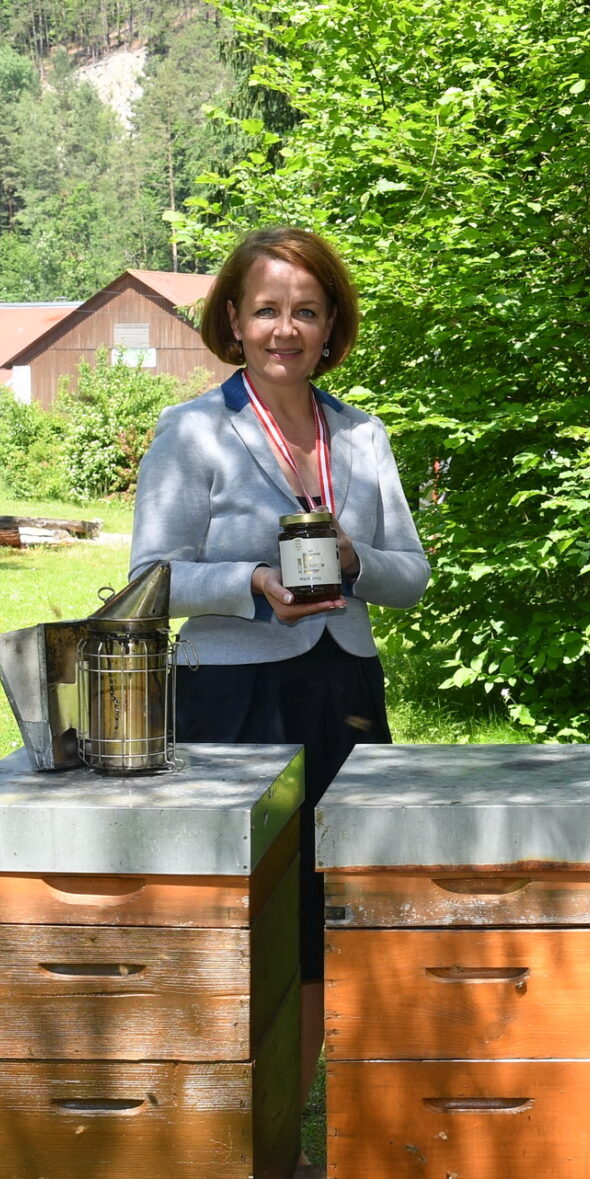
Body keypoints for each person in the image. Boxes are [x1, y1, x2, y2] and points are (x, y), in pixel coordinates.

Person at [130, 226, 428, 1084]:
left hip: (344, 684)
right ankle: (227, 1095)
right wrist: (252, 581)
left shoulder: (362, 435)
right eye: (266, 310)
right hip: (230, 691)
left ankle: (304, 1100)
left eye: (305, 310)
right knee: (236, 900)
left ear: (333, 323)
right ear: (234, 317)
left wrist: (354, 562)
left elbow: (411, 573)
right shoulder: (190, 431)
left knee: (335, 899)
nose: (285, 329)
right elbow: (150, 577)